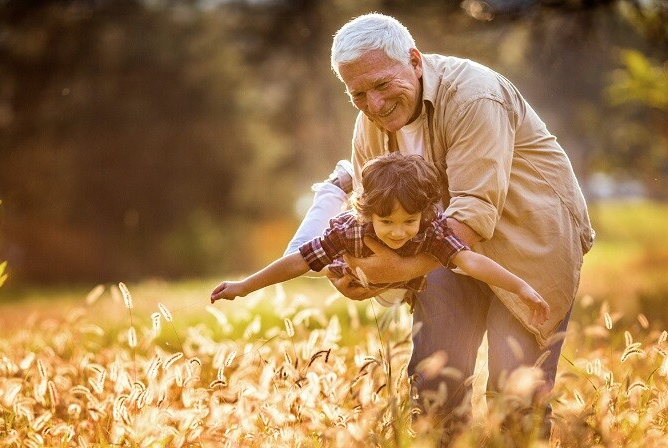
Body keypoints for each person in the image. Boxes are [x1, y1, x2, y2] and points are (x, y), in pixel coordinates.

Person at [287, 13, 594, 437]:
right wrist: (356, 271)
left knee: (516, 391)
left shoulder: (473, 96)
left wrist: (394, 271)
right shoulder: (369, 125)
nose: (373, 105)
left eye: (381, 85)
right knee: (435, 385)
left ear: (414, 60)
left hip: (529, 245)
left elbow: (470, 214)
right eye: (358, 93)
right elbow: (369, 213)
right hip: (443, 252)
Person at [211, 153, 552, 330]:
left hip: (395, 277)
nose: (398, 231)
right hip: (348, 259)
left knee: (395, 286)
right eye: (386, 221)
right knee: (304, 257)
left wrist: (520, 287)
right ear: (369, 213)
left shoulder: (431, 229)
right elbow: (298, 261)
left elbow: (471, 261)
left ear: (424, 214)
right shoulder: (350, 229)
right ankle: (335, 186)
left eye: (408, 221)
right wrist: (245, 285)